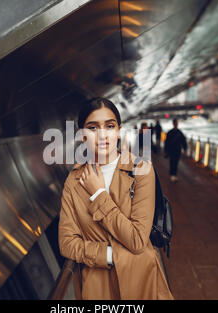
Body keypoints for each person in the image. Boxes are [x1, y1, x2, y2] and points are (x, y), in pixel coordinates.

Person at [58, 98, 174, 300]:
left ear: (119, 130)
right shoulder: (74, 181)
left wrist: (98, 194)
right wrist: (111, 256)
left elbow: (137, 240)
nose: (102, 135)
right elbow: (67, 243)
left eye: (109, 126)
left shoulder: (141, 171)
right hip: (97, 288)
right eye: (93, 128)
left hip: (142, 283)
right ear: (83, 136)